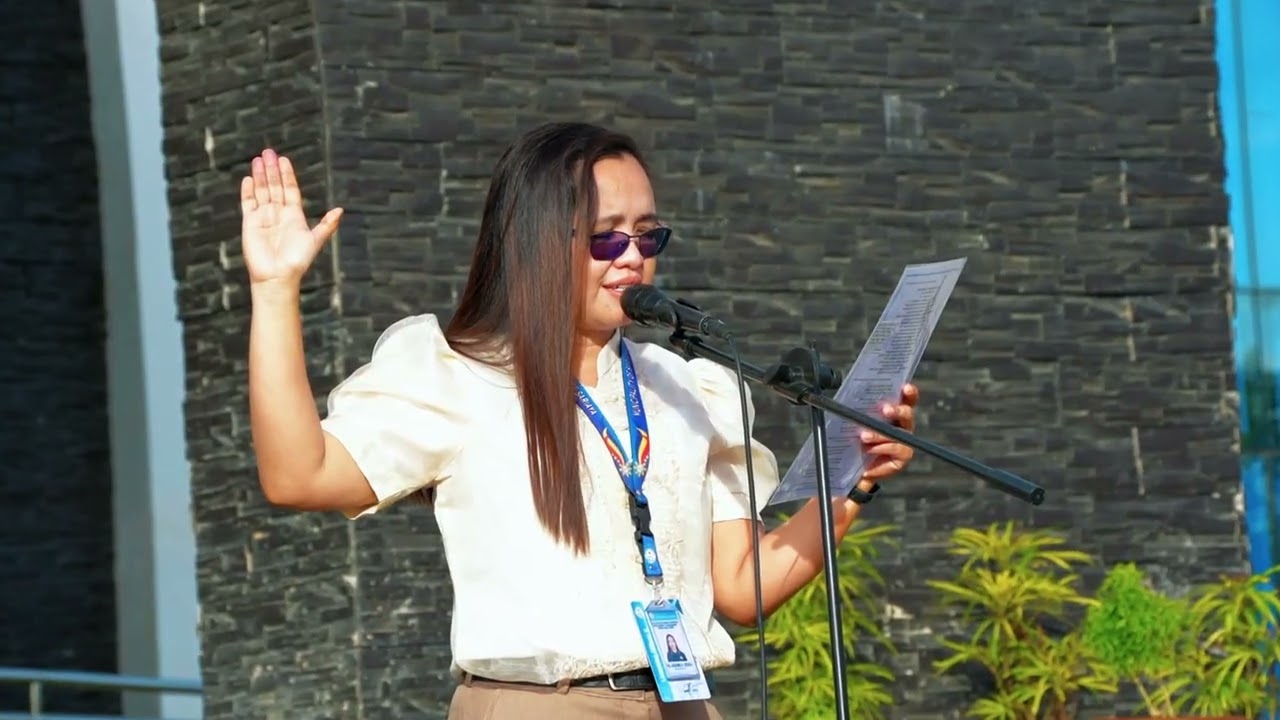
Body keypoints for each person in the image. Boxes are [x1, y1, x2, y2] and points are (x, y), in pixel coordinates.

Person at [238, 121, 919, 719]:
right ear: (535, 242)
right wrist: (274, 291)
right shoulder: (461, 375)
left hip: (681, 704)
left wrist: (853, 480)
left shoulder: (685, 387)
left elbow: (741, 587)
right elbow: (299, 475)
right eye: (604, 239)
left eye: (648, 234)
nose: (632, 255)